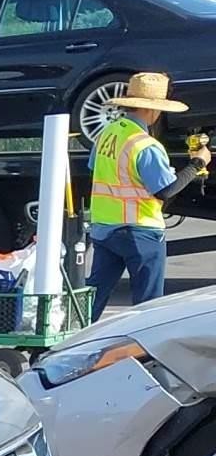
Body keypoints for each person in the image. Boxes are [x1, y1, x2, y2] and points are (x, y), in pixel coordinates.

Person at [86, 72, 206, 311]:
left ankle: (71, 344)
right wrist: (198, 164)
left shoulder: (107, 134)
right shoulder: (145, 144)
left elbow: (95, 168)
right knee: (148, 306)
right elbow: (166, 190)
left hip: (105, 228)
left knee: (93, 298)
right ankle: (142, 348)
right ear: (153, 110)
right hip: (140, 230)